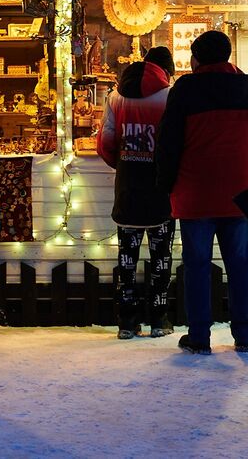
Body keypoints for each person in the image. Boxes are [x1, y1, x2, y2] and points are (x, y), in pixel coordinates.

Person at [156, 30, 248, 354]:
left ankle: (199, 337)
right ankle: (245, 336)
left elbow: (169, 144)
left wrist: (166, 186)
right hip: (239, 195)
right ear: (228, 56)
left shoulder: (185, 92)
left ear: (195, 59)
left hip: (195, 195)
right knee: (239, 265)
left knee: (197, 266)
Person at [97, 46, 177, 340]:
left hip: (128, 188)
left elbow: (106, 142)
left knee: (126, 260)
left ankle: (126, 323)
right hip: (160, 191)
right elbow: (176, 145)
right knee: (161, 260)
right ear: (166, 71)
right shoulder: (170, 97)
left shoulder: (115, 97)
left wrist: (123, 163)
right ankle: (159, 320)